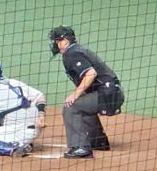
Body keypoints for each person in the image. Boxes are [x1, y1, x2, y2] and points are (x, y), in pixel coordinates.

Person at [48, 26, 124, 159]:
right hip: (111, 93)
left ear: (65, 40)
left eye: (57, 40)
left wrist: (75, 94)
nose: (55, 44)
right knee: (82, 105)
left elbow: (90, 73)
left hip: (107, 94)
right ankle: (98, 142)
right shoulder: (76, 50)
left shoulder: (72, 53)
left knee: (71, 106)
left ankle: (80, 147)